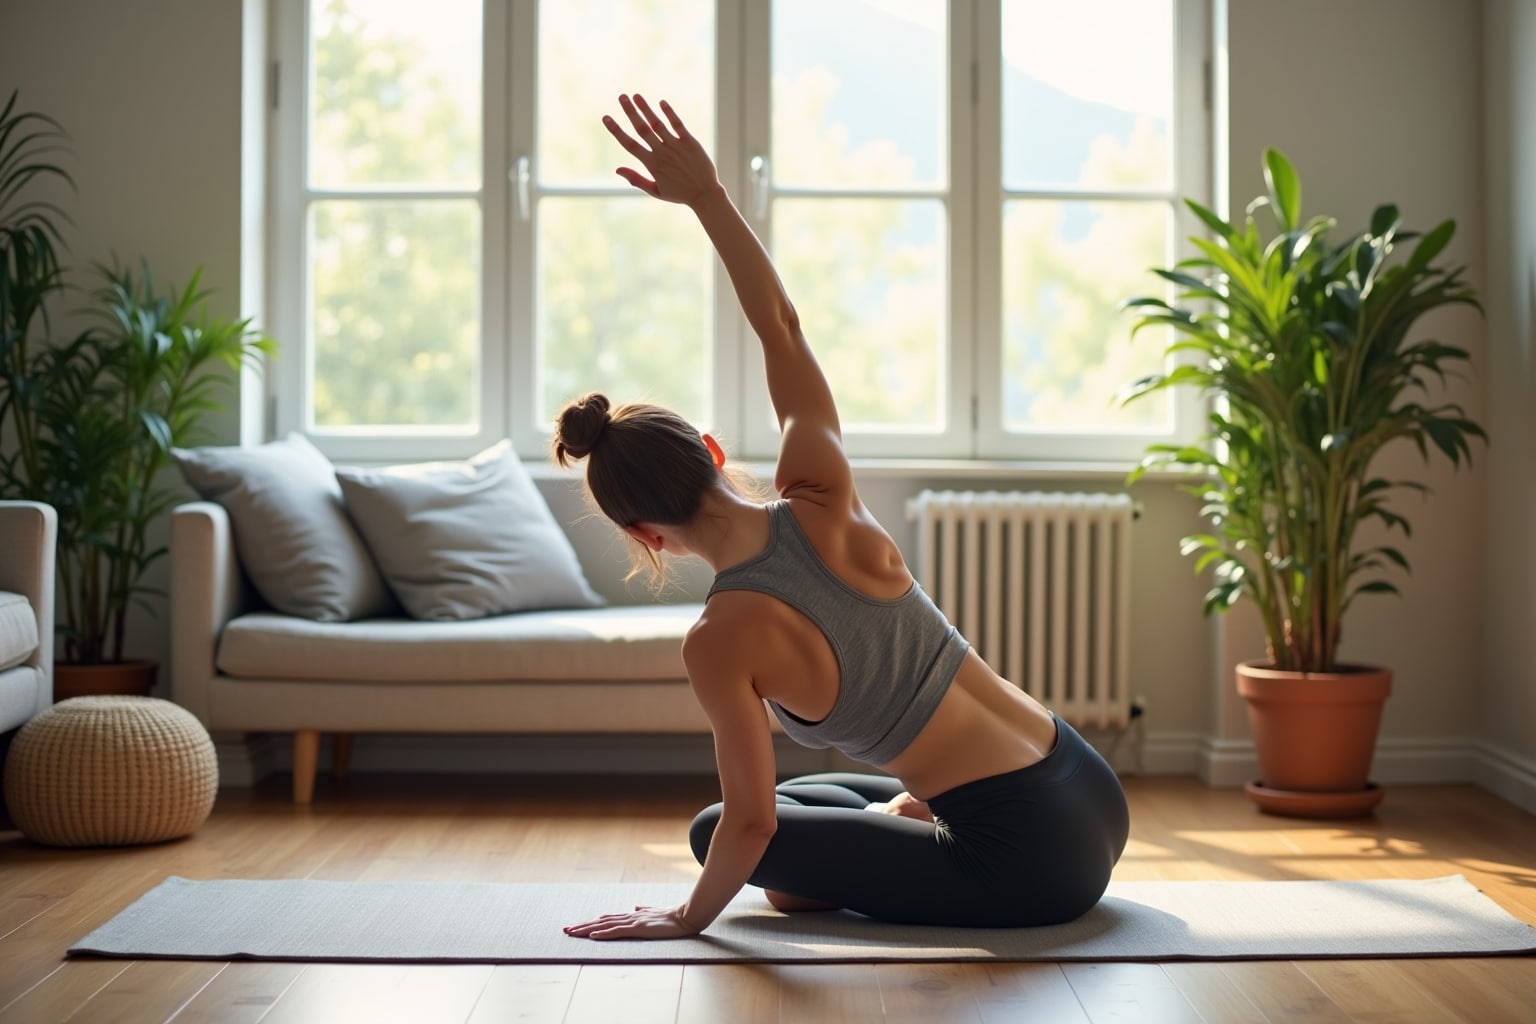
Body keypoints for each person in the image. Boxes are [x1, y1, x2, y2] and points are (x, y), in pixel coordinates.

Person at [559, 94, 1128, 941]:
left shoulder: (718, 638)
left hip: (1025, 860)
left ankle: (908, 821)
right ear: (711, 449)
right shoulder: (823, 498)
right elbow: (780, 328)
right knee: (793, 806)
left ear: (643, 533)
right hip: (1088, 787)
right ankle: (907, 809)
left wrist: (685, 917)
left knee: (720, 829)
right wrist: (710, 198)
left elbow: (746, 830)